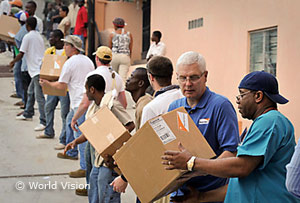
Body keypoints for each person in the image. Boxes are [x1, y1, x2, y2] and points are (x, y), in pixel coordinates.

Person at [162, 70, 300, 203]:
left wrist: (191, 162)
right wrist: (201, 197)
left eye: (242, 95)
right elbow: (238, 185)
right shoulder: (262, 123)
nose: (238, 101)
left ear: (258, 96)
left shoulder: (270, 121)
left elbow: (241, 167)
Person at [160, 51, 239, 202]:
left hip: (210, 195)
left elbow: (231, 153)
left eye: (194, 77)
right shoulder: (174, 107)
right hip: (179, 194)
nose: (188, 83)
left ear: (205, 76)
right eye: (182, 78)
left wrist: (197, 167)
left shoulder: (220, 106)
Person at [64, 74, 135, 203]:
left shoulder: (111, 104)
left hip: (108, 161)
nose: (85, 93)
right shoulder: (94, 108)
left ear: (92, 90)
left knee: (108, 196)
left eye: (86, 90)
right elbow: (90, 133)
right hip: (97, 159)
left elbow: (130, 124)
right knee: (94, 193)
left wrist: (112, 140)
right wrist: (75, 141)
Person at [39, 35, 94, 178]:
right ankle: (71, 151)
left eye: (66, 45)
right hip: (88, 101)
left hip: (79, 102)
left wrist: (47, 84)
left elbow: (61, 84)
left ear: (73, 48)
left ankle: (84, 167)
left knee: (79, 134)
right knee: (70, 121)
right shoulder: (88, 60)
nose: (64, 48)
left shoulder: (70, 63)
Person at [36, 29, 71, 151]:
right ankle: (48, 130)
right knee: (48, 107)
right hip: (51, 84)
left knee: (64, 113)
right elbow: (45, 67)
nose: (50, 39)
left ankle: (63, 139)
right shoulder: (49, 51)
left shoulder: (67, 54)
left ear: (58, 39)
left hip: (63, 87)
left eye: (52, 37)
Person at [10, 17, 46, 132]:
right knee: (30, 92)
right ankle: (28, 113)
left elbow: (21, 53)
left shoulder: (28, 36)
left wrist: (12, 62)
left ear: (27, 25)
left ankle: (43, 121)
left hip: (36, 70)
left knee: (39, 97)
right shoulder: (39, 36)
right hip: (38, 68)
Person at [140, 56, 183, 126]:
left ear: (151, 77)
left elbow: (145, 136)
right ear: (172, 74)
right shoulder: (187, 97)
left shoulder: (150, 108)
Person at [109, 17, 133, 82]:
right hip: (125, 56)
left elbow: (110, 47)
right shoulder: (129, 34)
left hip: (114, 56)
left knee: (113, 77)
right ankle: (122, 91)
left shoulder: (112, 35)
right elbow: (130, 48)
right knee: (123, 78)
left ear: (114, 25)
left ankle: (113, 91)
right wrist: (129, 57)